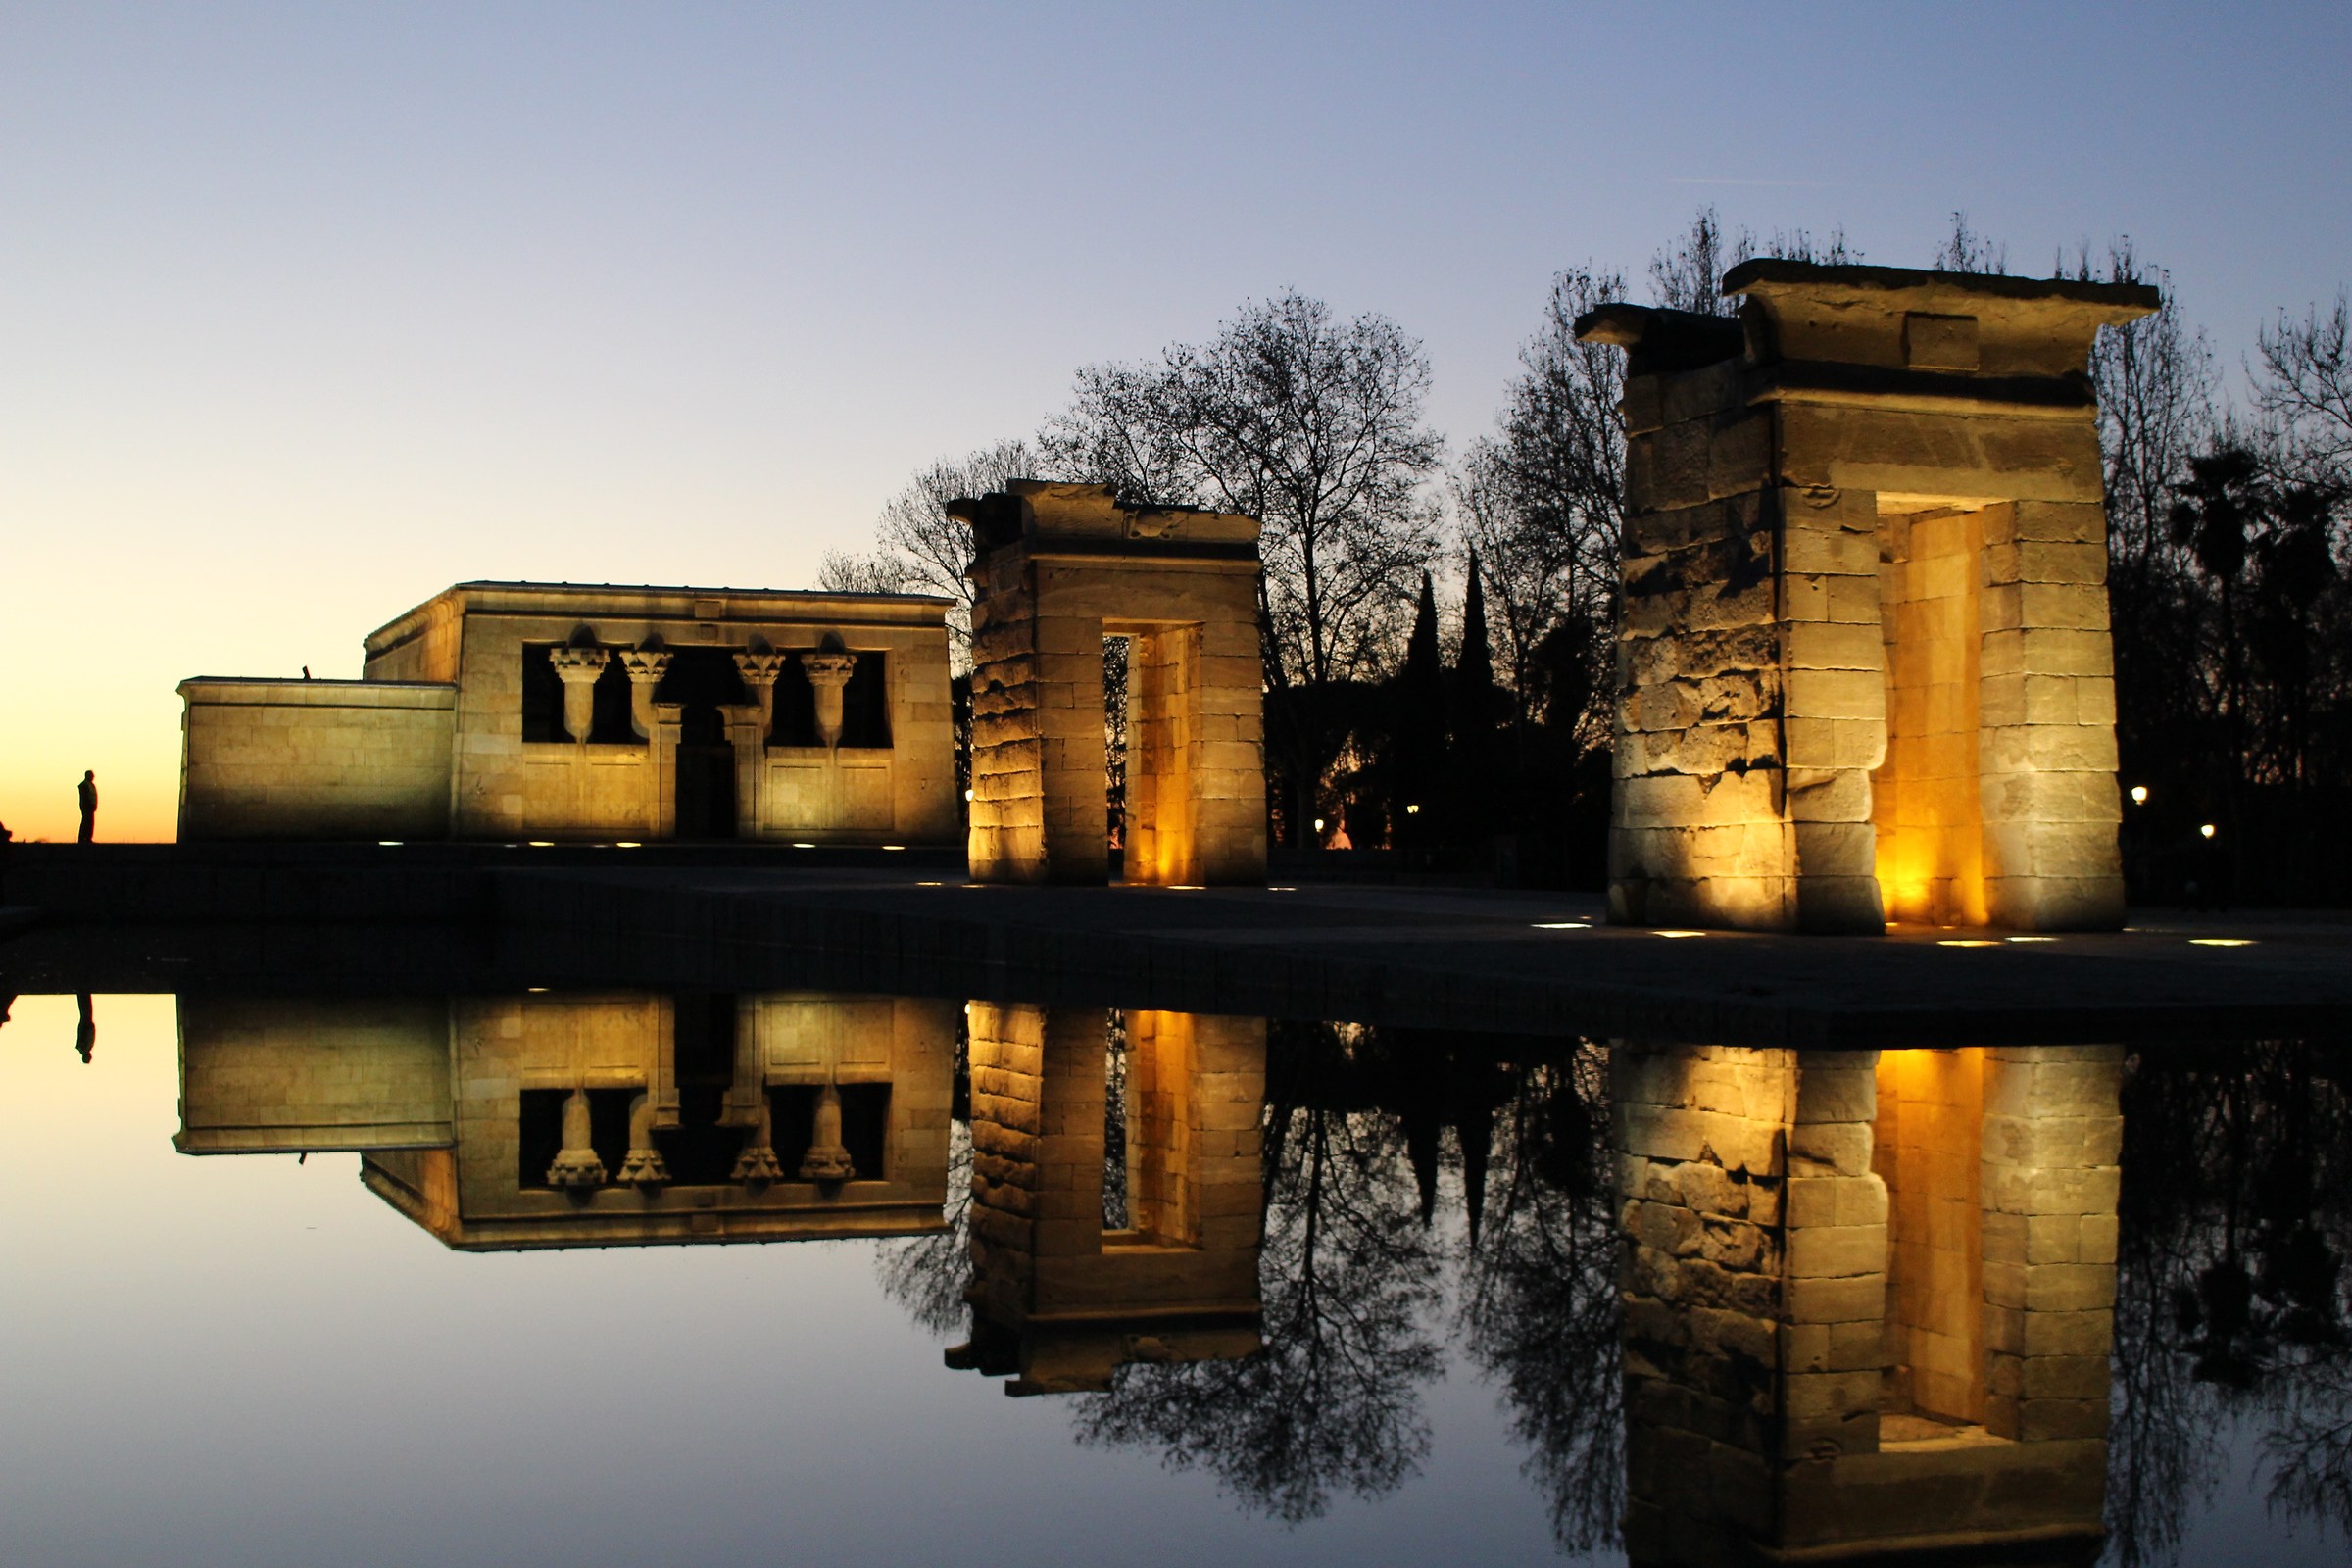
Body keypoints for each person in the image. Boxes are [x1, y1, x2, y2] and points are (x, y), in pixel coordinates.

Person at [76, 770, 96, 843]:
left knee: (90, 822)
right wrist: (89, 804)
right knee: (86, 822)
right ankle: (82, 838)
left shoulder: (91, 785)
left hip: (91, 806)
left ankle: (88, 838)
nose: (93, 777)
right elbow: (85, 797)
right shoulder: (84, 785)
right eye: (91, 776)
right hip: (87, 806)